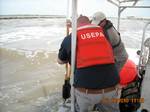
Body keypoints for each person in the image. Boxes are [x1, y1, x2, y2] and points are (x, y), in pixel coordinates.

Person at [58, 15, 120, 112]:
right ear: (90, 22)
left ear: (75, 25)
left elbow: (60, 61)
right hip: (111, 89)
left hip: (86, 93)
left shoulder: (71, 38)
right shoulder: (106, 34)